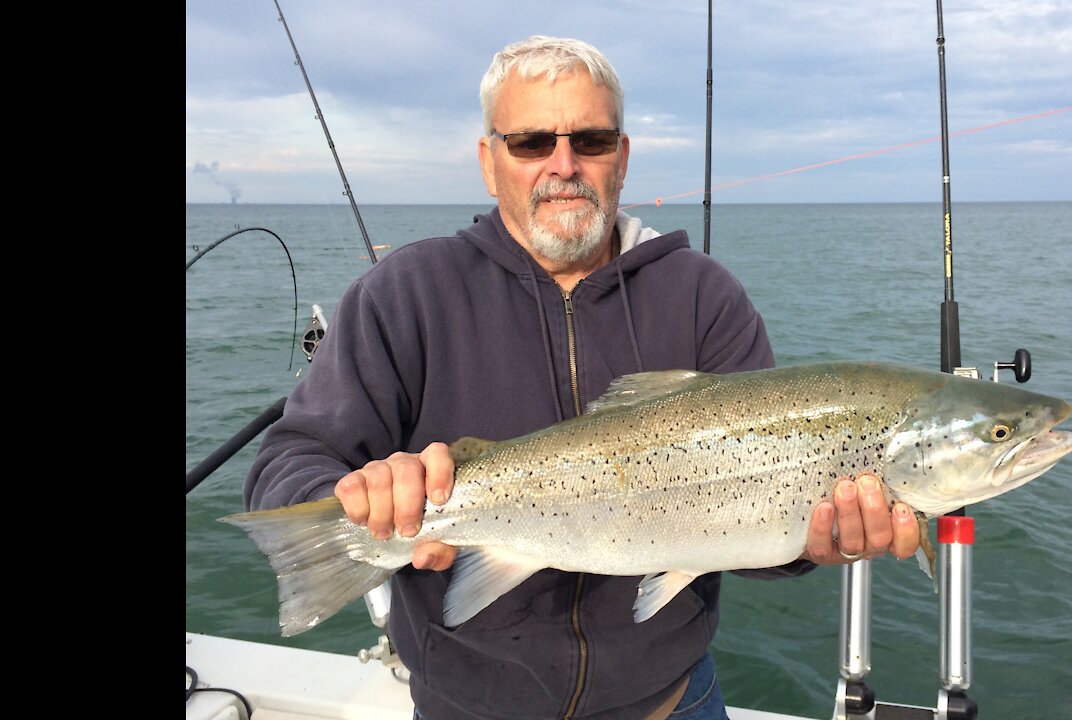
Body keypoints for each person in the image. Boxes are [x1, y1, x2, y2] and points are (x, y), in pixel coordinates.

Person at [245, 35, 920, 720]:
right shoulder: (404, 293)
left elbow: (758, 538)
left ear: (621, 158)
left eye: (591, 141)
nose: (562, 166)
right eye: (532, 142)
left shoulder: (703, 296)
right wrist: (357, 494)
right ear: (489, 161)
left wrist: (811, 542)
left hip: (673, 701)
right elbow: (288, 459)